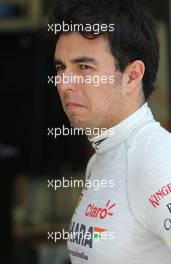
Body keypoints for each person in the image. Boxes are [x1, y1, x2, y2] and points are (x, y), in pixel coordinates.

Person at [49, 0, 171, 263]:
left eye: (84, 67)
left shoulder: (159, 161)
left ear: (132, 75)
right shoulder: (102, 157)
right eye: (61, 67)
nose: (64, 83)